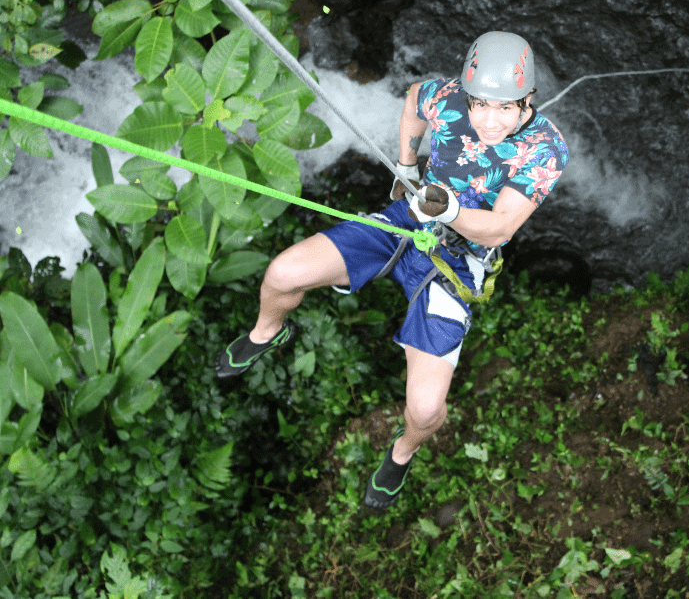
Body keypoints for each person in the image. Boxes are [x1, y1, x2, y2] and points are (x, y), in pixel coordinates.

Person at [215, 31, 570, 510]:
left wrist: (447, 211)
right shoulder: (447, 97)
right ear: (466, 94)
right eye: (480, 105)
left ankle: (402, 453)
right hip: (410, 219)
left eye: (505, 108)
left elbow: (498, 228)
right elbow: (413, 102)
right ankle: (267, 333)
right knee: (282, 273)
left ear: (528, 99)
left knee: (424, 409)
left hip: (459, 259)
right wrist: (406, 164)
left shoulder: (545, 149)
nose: (489, 120)